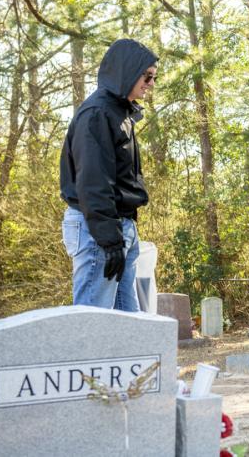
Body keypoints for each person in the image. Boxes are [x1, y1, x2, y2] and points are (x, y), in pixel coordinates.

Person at [60, 39, 158, 312]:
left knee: (127, 326)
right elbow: (93, 183)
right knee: (95, 326)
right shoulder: (97, 114)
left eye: (154, 78)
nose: (151, 84)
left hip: (119, 227)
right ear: (127, 71)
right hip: (98, 231)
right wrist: (109, 239)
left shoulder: (119, 112)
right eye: (147, 76)